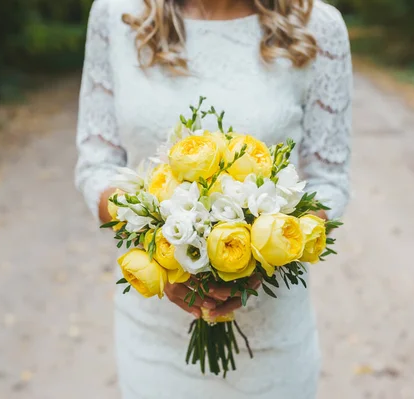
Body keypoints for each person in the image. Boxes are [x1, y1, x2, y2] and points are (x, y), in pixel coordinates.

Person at [75, 0, 352, 397]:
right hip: (154, 341)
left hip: (272, 342)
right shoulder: (115, 14)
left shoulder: (318, 26)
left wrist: (261, 257)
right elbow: (96, 166)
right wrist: (162, 241)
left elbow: (330, 180)